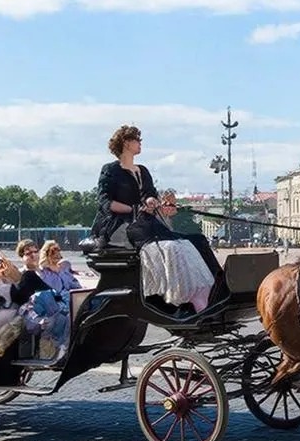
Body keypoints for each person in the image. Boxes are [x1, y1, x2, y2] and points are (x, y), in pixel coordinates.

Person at [90, 125, 228, 318]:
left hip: (146, 222)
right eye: (137, 139)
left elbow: (148, 194)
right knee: (173, 247)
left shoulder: (143, 171)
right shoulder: (110, 170)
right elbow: (105, 202)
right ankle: (184, 297)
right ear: (126, 143)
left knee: (197, 240)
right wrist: (134, 208)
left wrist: (152, 201)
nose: (140, 143)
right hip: (122, 226)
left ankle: (219, 288)